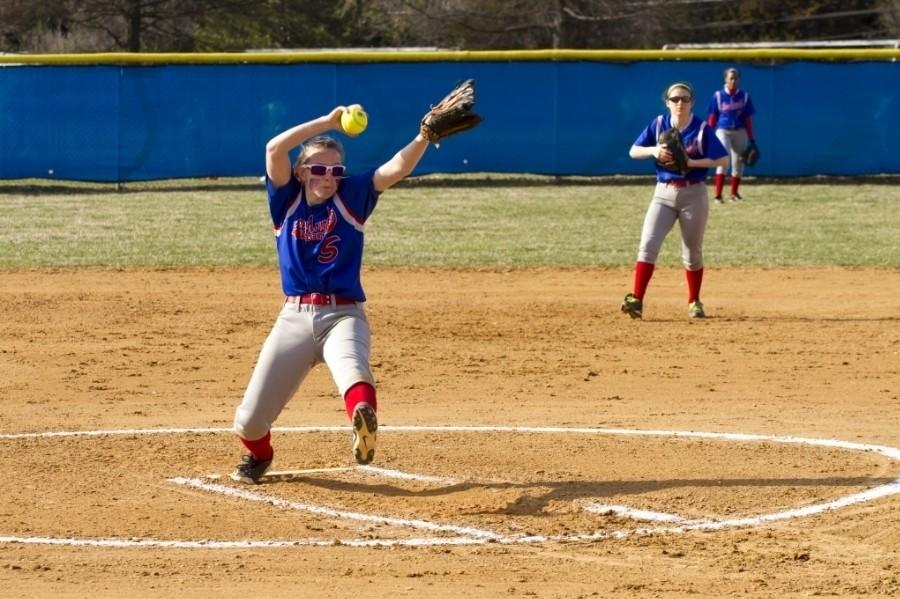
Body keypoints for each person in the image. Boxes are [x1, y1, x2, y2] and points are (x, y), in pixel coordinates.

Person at [230, 105, 433, 484]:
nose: (329, 177)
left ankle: (363, 425)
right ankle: (260, 456)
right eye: (319, 169)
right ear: (302, 171)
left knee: (353, 370)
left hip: (344, 315)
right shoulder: (285, 200)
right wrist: (327, 122)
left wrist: (423, 138)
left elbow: (395, 169)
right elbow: (275, 148)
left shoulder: (352, 196)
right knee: (248, 421)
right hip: (294, 318)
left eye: (336, 171)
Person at [621, 81, 728, 321]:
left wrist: (692, 163)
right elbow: (633, 151)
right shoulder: (659, 124)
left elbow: (722, 159)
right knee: (648, 245)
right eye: (675, 99)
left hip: (694, 193)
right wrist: (653, 151)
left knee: (692, 252)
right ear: (667, 102)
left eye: (685, 99)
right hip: (663, 193)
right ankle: (636, 299)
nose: (680, 103)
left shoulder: (701, 129)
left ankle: (694, 301)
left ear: (692, 103)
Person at [707, 67, 757, 203]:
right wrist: (708, 133)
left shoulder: (744, 96)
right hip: (723, 130)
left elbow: (747, 119)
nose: (734, 81)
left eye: (736, 78)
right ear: (725, 79)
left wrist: (751, 138)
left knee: (739, 162)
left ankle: (734, 194)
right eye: (731, 78)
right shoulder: (718, 96)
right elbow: (712, 117)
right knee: (724, 159)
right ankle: (718, 195)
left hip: (740, 130)